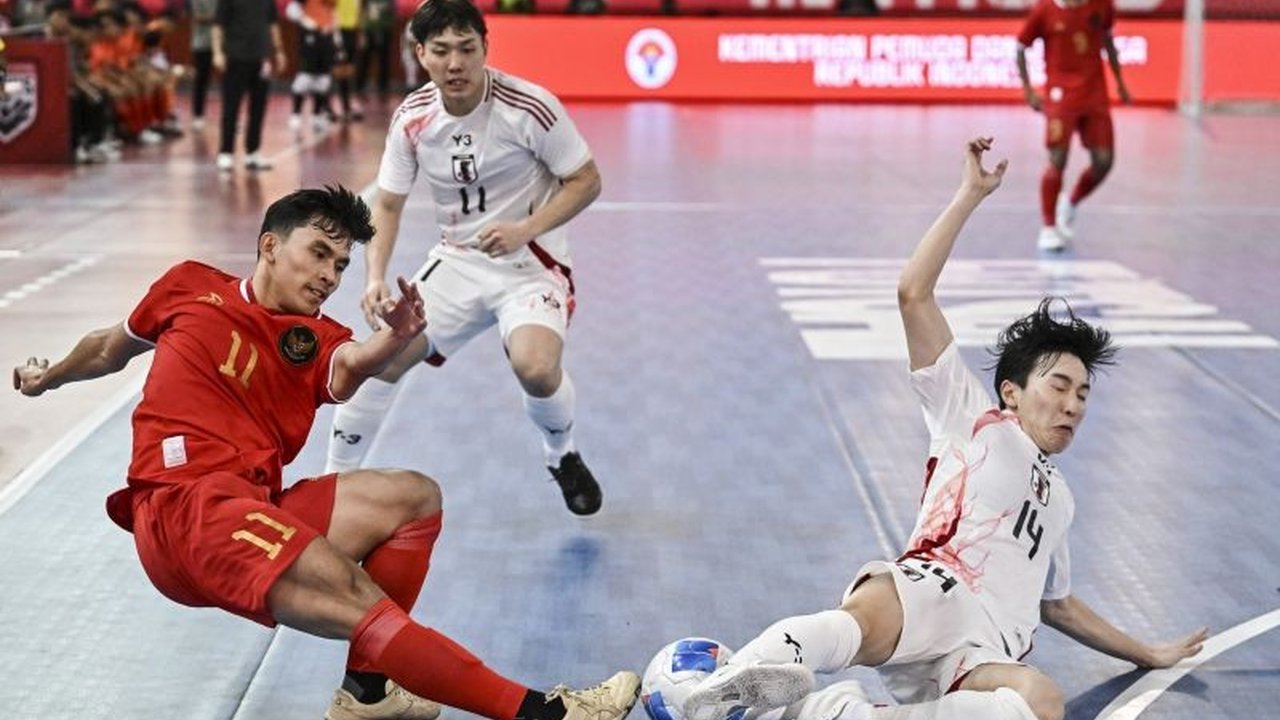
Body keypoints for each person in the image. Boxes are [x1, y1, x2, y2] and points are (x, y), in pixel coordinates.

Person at [12, 186, 640, 720]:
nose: (328, 276)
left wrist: (392, 337)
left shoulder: (315, 338)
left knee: (413, 498)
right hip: (186, 511)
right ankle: (545, 713)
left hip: (251, 502)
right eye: (319, 253)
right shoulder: (187, 287)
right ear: (269, 246)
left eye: (340, 265)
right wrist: (50, 377)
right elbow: (107, 347)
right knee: (355, 598)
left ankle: (367, 693)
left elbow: (353, 363)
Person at [681, 139, 1207, 720]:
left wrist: (1146, 652)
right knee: (858, 621)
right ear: (1011, 392)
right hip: (936, 587)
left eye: (1083, 393)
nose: (1073, 404)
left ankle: (826, 712)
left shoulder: (1062, 500)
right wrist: (968, 197)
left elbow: (1058, 606)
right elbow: (913, 294)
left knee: (1042, 704)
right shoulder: (973, 419)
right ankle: (725, 692)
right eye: (1058, 385)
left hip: (982, 653)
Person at [325, 0, 606, 516]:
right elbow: (387, 201)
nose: (455, 63)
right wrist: (374, 277)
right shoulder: (412, 118)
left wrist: (526, 229)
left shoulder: (529, 107)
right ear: (420, 54)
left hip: (530, 265)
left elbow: (586, 180)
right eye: (441, 51)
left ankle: (561, 454)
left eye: (466, 49)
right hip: (456, 262)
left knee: (536, 368)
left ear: (484, 49)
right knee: (379, 359)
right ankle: (330, 490)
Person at [1017, 0, 1131, 252]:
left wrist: (1120, 82)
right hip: (1060, 95)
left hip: (1094, 94)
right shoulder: (1044, 10)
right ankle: (1047, 228)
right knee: (1058, 158)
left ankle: (1069, 202)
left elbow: (1108, 41)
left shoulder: (1102, 5)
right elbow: (1020, 47)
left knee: (1104, 162)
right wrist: (1028, 91)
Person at [212, 0, 287, 171]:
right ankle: (226, 152)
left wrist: (279, 51)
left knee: (258, 107)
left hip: (261, 59)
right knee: (231, 107)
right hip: (235, 57)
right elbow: (218, 25)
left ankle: (253, 153)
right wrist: (217, 52)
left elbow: (273, 24)